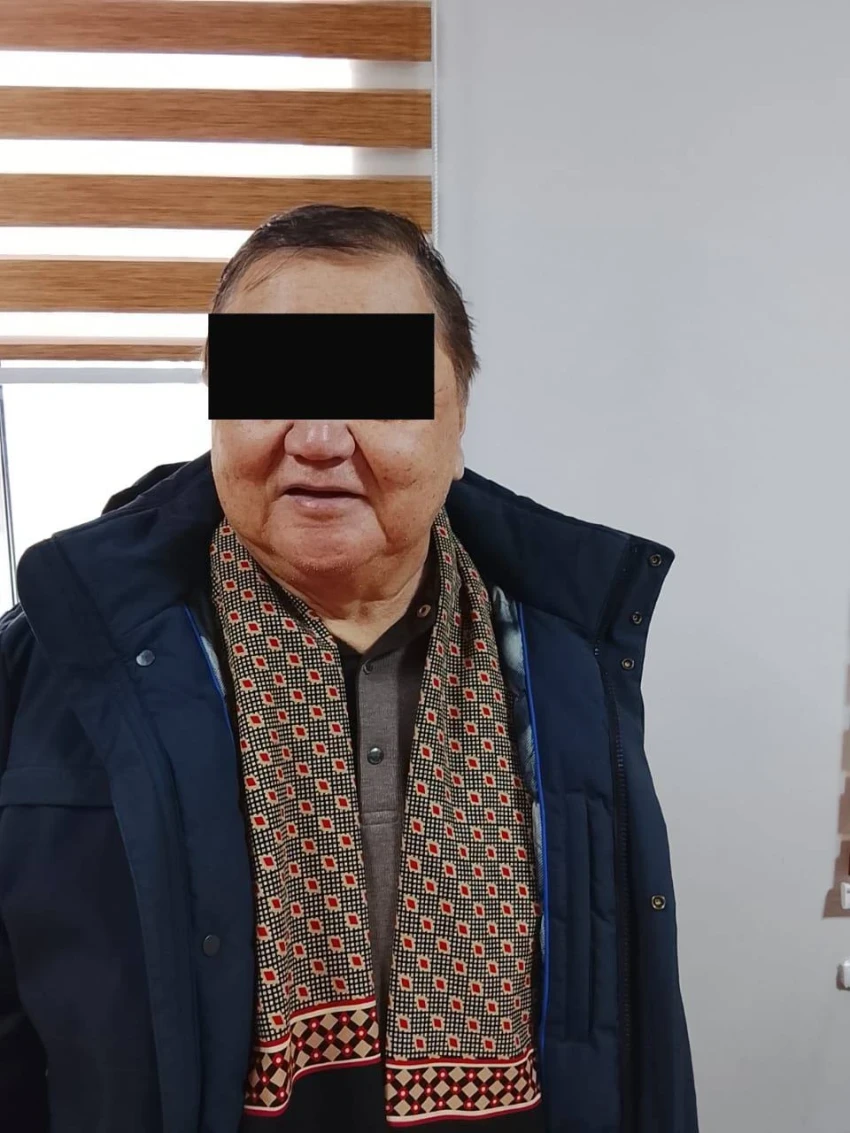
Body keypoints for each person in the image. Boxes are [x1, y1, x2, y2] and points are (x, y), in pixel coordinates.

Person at [0, 205, 698, 1133]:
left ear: (458, 419)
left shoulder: (567, 669)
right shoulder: (52, 670)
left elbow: (634, 1020)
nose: (320, 438)